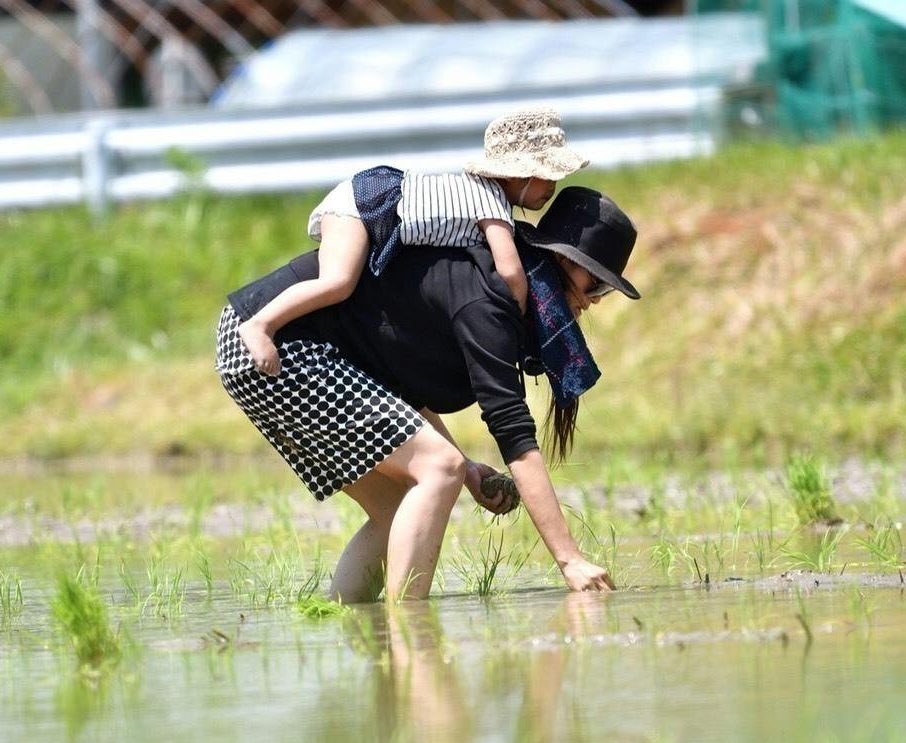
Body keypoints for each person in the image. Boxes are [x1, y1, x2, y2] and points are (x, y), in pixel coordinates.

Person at [217, 186, 641, 602]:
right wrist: (569, 560)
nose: (596, 302)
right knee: (439, 469)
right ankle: (410, 631)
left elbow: (399, 384)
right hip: (273, 341)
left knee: (400, 506)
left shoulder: (497, 287)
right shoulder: (490, 299)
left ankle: (361, 627)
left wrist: (470, 469)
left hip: (282, 344)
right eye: (596, 286)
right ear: (563, 261)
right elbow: (513, 431)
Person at [237, 106, 589, 377]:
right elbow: (510, 271)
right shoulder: (491, 204)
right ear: (517, 175)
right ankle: (260, 324)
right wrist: (520, 319)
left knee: (344, 285)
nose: (551, 187)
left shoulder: (482, 197)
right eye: (546, 177)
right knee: (338, 283)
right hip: (367, 205)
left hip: (371, 202)